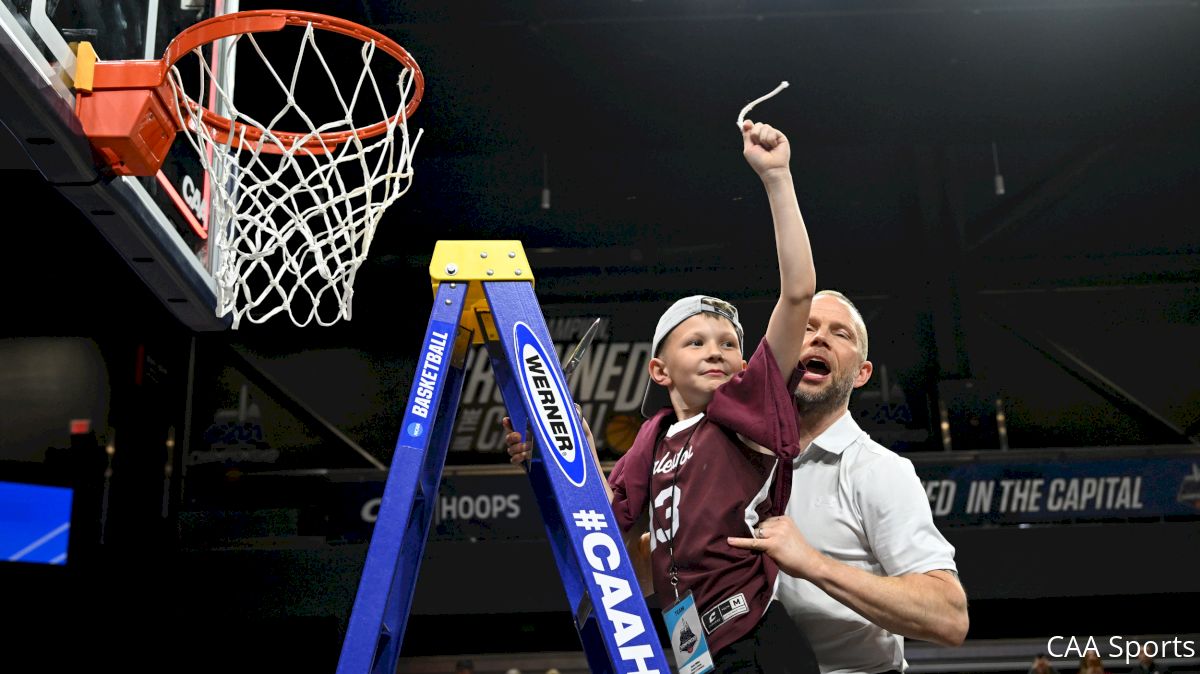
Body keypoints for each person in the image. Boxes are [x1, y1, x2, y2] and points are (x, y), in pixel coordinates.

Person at [506, 118, 818, 673]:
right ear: (659, 370)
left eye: (728, 343)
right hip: (689, 643)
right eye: (695, 341)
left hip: (753, 636)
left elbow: (797, 295)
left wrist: (777, 180)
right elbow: (601, 516)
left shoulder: (746, 414)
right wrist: (554, 448)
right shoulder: (652, 437)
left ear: (747, 368)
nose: (715, 350)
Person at [725, 290, 970, 673]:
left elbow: (949, 616)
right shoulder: (734, 460)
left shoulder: (879, 471)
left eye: (841, 334)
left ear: (862, 374)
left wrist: (813, 563)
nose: (820, 337)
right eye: (807, 328)